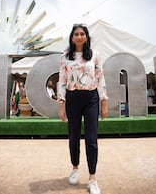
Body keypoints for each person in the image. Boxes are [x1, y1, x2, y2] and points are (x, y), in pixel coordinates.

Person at [57, 23, 108, 194]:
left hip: (91, 98)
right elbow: (62, 81)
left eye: (82, 34)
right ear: (72, 37)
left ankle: (92, 179)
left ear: (86, 37)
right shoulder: (65, 57)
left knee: (92, 139)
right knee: (74, 136)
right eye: (76, 34)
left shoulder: (94, 55)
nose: (79, 36)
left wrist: (104, 102)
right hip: (73, 98)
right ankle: (75, 169)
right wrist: (61, 104)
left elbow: (100, 79)